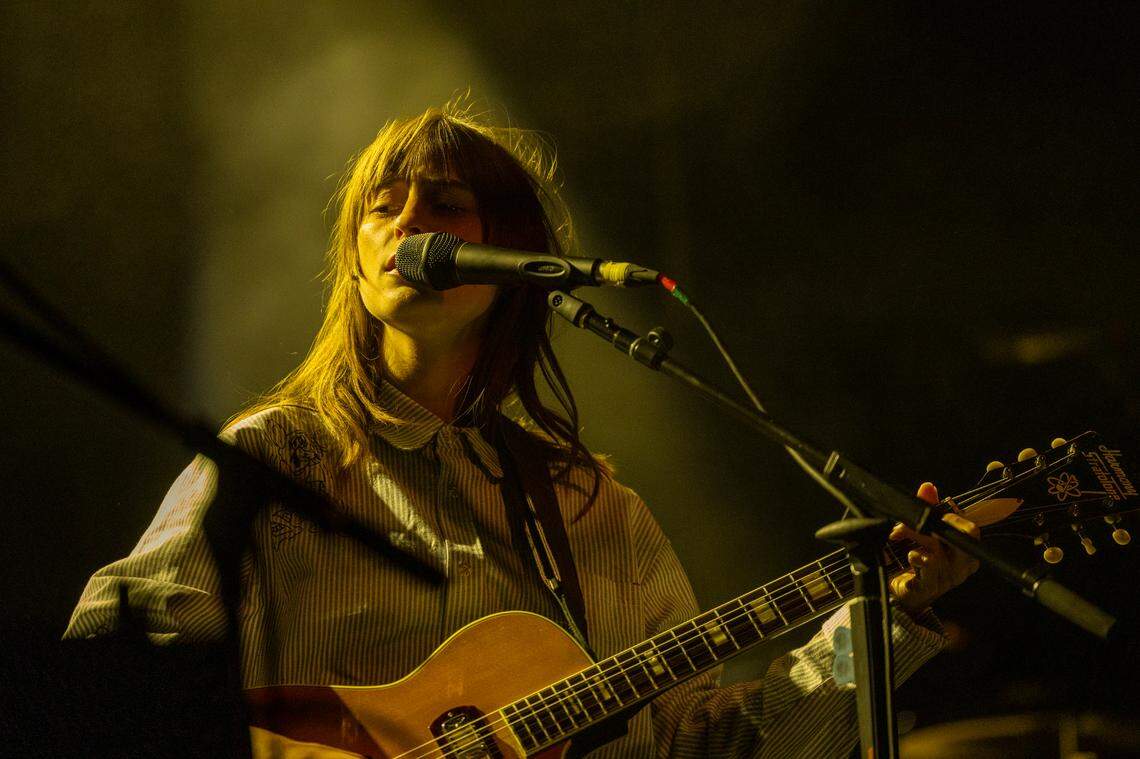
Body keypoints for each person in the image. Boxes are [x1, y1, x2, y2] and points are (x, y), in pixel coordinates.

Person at [66, 102, 979, 757]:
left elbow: (706, 742)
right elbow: (111, 672)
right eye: (383, 205)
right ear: (355, 256)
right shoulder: (274, 456)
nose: (409, 223)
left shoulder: (589, 505)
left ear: (512, 259)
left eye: (446, 204)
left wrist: (885, 621)